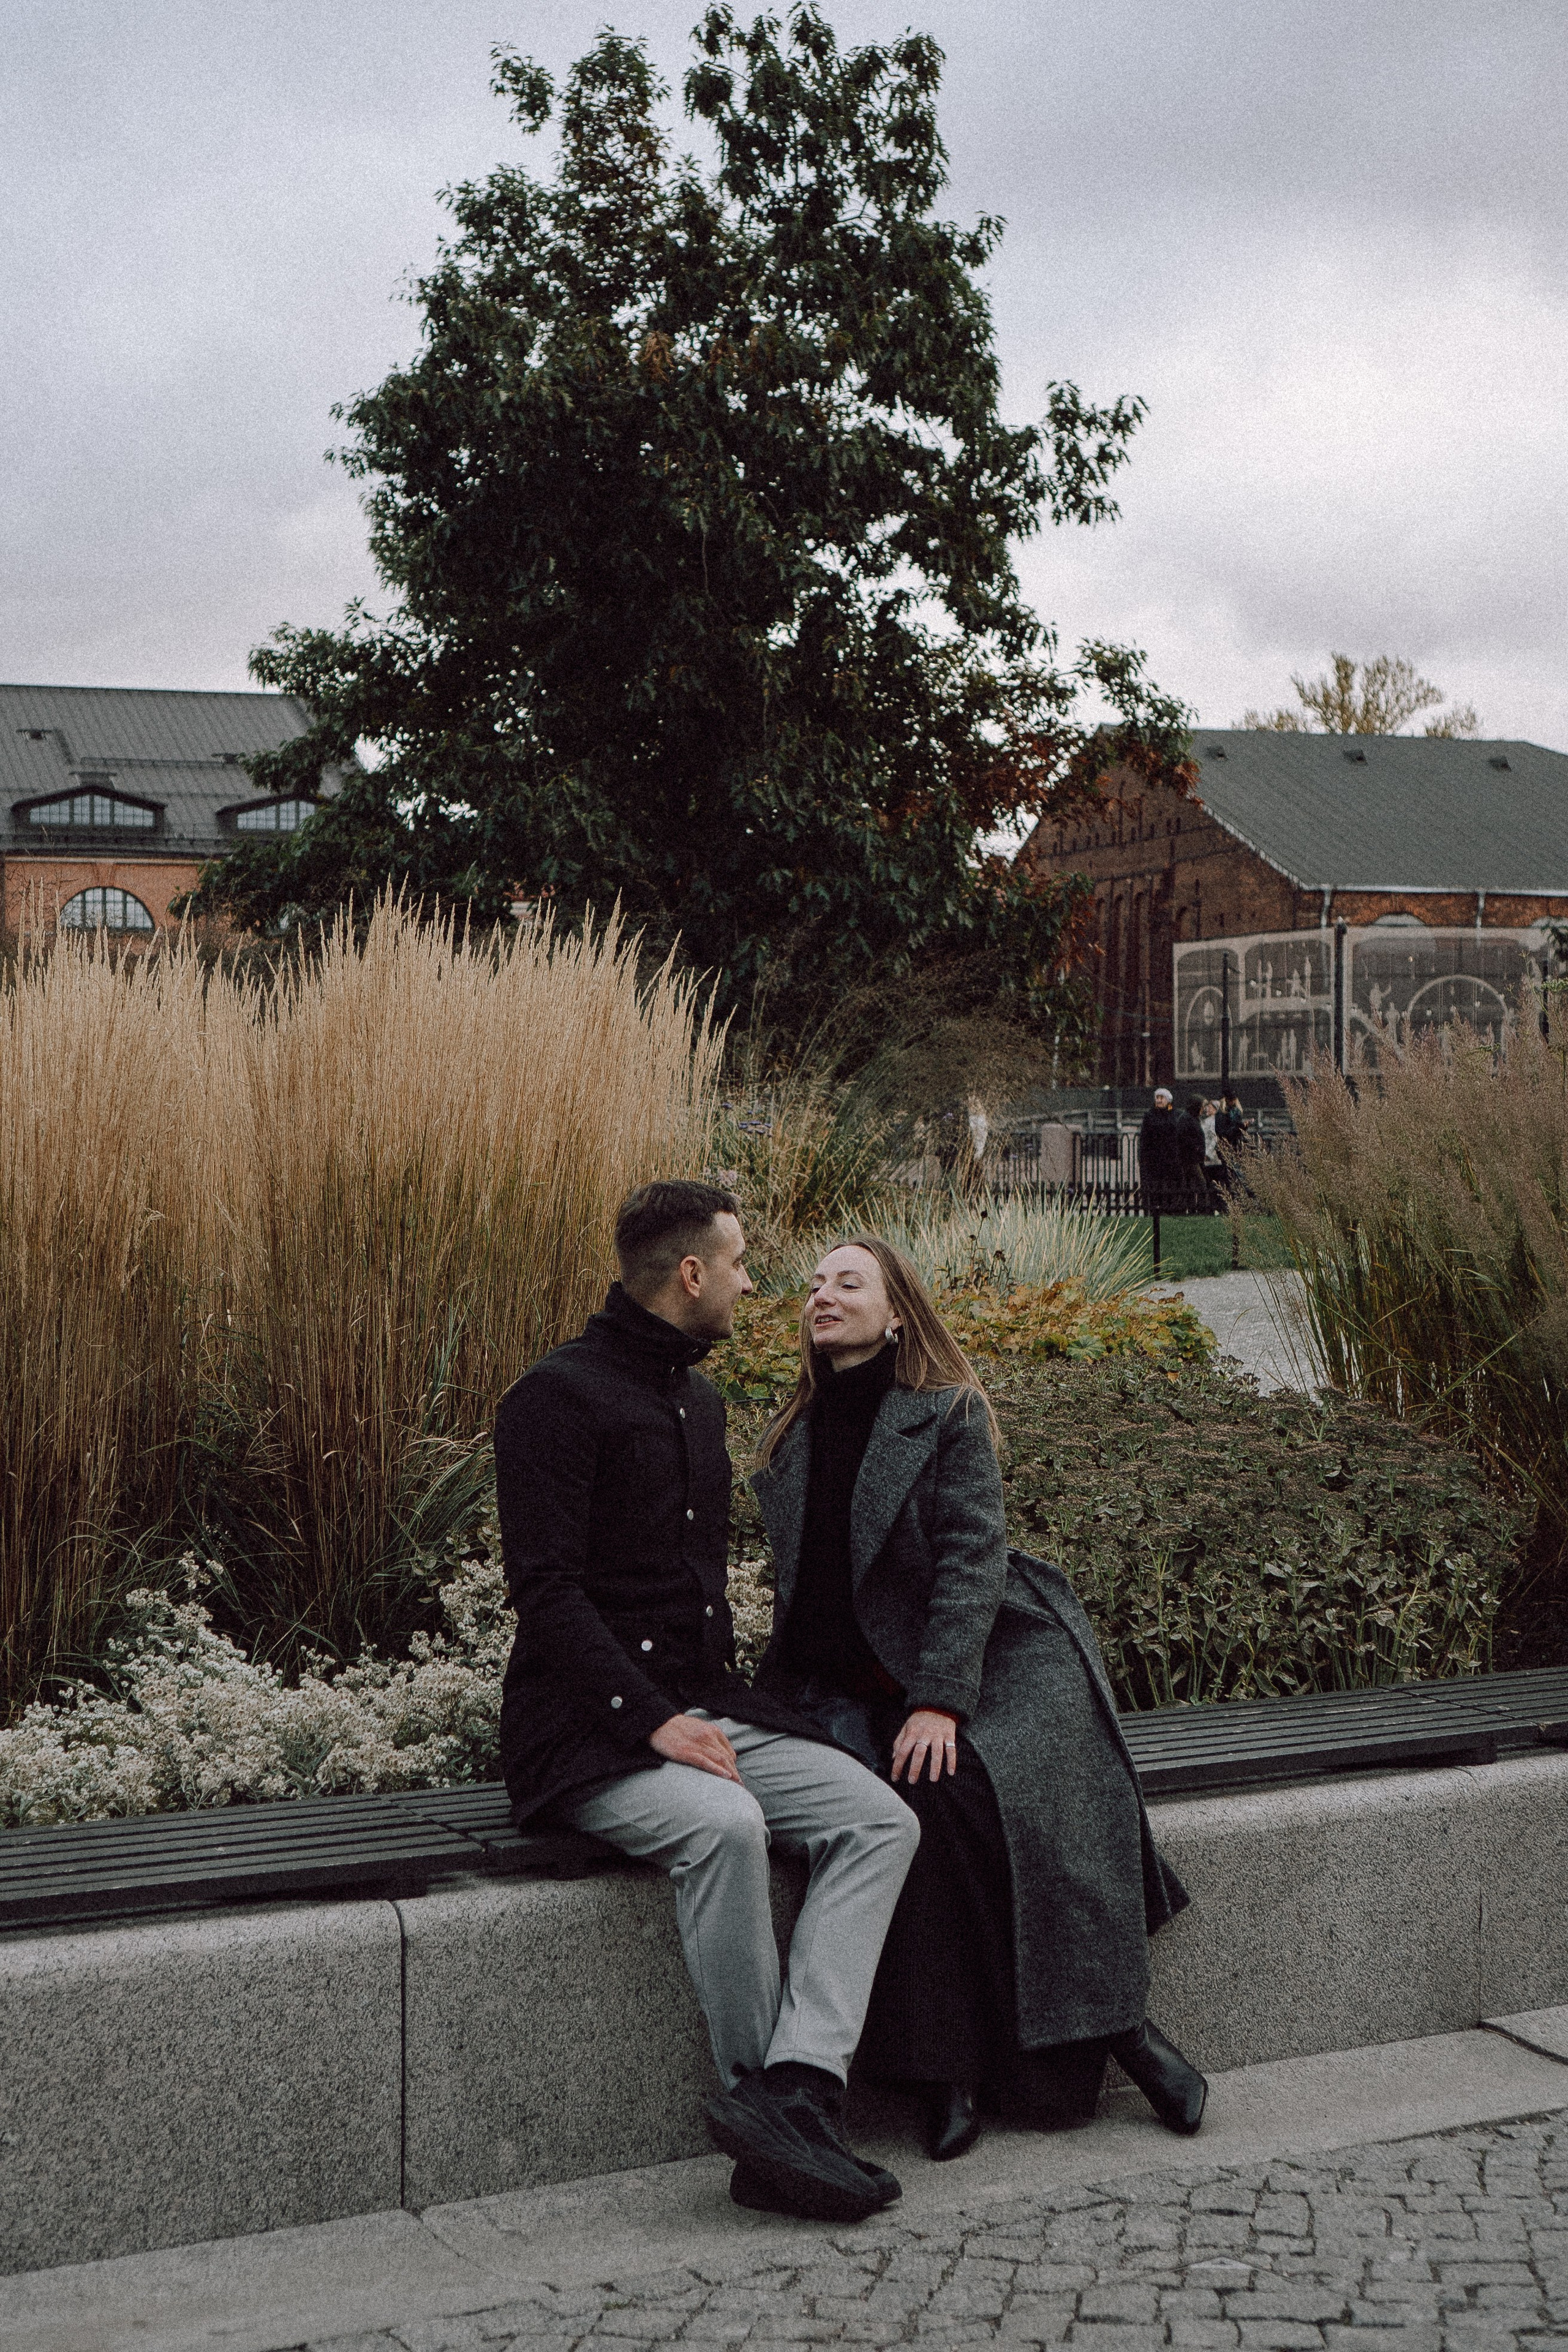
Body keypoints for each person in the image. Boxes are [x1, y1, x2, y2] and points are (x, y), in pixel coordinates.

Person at [495, 1180, 921, 2225]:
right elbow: (545, 1594)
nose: (750, 1282)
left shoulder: (700, 1402)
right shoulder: (553, 1398)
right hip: (585, 1734)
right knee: (727, 1828)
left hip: (705, 1708)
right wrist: (649, 1720)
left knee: (881, 1818)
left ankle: (796, 2093)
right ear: (691, 1274)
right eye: (737, 1264)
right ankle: (761, 2102)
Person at [750, 1235, 1207, 2163]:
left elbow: (970, 1561)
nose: (822, 1296)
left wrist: (940, 1701)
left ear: (897, 1312)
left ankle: (1115, 2032)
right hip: (847, 1686)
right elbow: (803, 1593)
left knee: (982, 1793)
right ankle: (953, 2072)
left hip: (991, 1656)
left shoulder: (946, 1410)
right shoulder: (791, 1434)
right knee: (911, 1810)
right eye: (814, 1285)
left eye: (848, 1282)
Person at [1137, 1087, 1181, 1212]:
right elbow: (1144, 1137)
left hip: (1170, 1157)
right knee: (1155, 1184)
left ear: (1168, 1100)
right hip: (1154, 1157)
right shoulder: (1150, 1115)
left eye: (1162, 1098)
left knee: (1169, 1184)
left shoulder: (1175, 1114)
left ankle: (1169, 1208)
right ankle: (1155, 1208)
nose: (1159, 1100)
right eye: (1157, 1098)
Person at [1175, 1096, 1209, 1204]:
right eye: (1202, 1106)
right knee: (1201, 1183)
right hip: (1190, 1159)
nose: (1203, 1109)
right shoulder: (1186, 1119)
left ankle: (1190, 1207)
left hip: (1194, 1158)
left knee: (1190, 1184)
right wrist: (1196, 1147)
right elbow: (1183, 1137)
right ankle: (1202, 1207)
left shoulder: (1192, 1118)